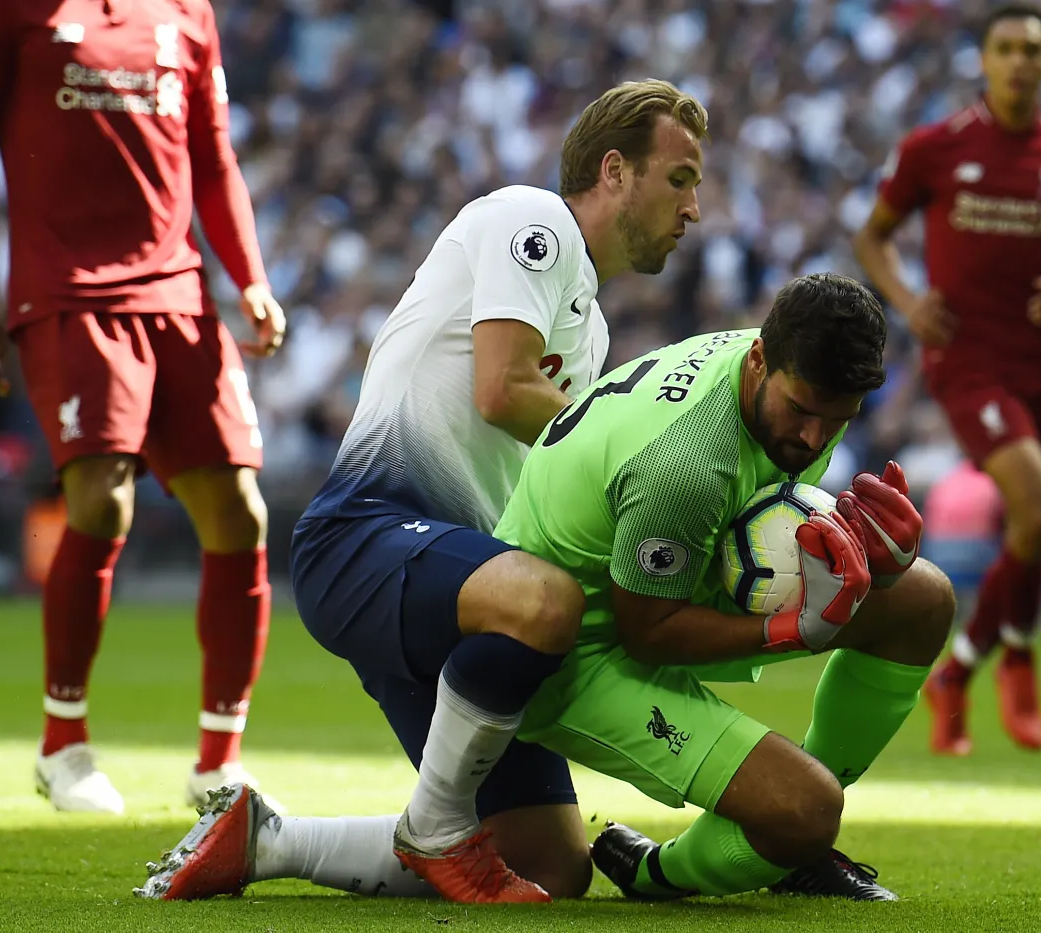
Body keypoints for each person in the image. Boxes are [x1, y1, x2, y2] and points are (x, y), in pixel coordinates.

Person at [141, 79, 708, 905]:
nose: (694, 209)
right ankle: (437, 824)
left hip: (464, 588)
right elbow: (503, 388)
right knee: (543, 599)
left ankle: (266, 837)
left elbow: (545, 485)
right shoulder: (532, 219)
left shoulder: (593, 335)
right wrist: (652, 459)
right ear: (614, 171)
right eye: (682, 179)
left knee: (551, 866)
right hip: (366, 536)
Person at [495, 272, 955, 901]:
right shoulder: (686, 466)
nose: (814, 438)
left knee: (922, 599)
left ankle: (787, 837)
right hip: (571, 648)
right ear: (760, 360)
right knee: (806, 812)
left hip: (676, 578)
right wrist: (795, 626)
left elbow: (757, 516)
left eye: (838, 419)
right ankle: (658, 871)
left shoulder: (793, 370)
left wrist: (868, 557)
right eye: (801, 412)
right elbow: (648, 635)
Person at [0, 0, 286, 813]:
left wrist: (250, 277)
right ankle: (63, 745)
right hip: (70, 293)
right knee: (102, 494)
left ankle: (219, 762)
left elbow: (212, 154)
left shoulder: (188, 12)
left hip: (181, 294)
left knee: (240, 511)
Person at [852, 1, 1041, 756]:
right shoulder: (935, 149)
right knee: (1033, 510)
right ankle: (987, 664)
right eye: (1005, 47)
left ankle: (992, 658)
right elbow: (872, 237)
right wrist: (907, 301)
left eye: (1032, 49)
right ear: (983, 58)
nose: (1018, 60)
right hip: (968, 361)